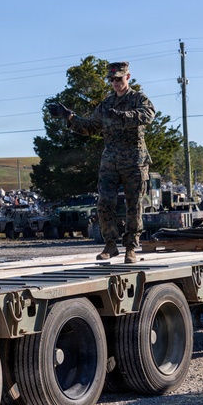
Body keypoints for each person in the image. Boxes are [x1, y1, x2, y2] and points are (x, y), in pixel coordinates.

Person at [47, 61, 156, 263]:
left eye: (119, 78)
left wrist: (123, 116)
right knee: (104, 203)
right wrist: (68, 117)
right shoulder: (106, 104)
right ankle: (110, 245)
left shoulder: (138, 99)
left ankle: (131, 247)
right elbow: (90, 127)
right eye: (112, 79)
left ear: (128, 77)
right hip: (110, 162)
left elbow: (149, 115)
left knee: (134, 206)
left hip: (134, 161)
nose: (115, 83)